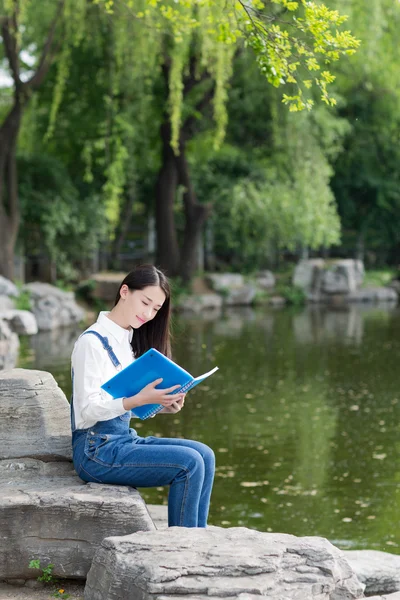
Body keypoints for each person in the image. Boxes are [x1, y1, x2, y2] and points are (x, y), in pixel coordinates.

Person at [71, 264, 215, 528]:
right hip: (94, 451)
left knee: (204, 454)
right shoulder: (91, 342)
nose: (148, 314)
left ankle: (197, 540)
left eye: (156, 309)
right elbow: (87, 411)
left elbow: (123, 405)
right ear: (124, 291)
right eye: (145, 303)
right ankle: (182, 548)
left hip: (121, 440)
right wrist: (138, 399)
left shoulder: (126, 341)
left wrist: (161, 404)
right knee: (189, 463)